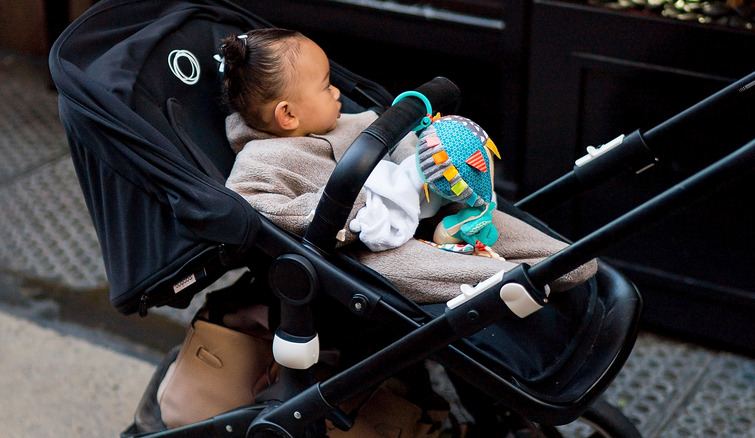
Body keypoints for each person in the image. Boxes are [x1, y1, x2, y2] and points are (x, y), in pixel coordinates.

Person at [221, 28, 597, 304]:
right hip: (370, 248)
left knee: (555, 254)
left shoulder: (350, 122)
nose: (337, 92)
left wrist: (427, 161)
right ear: (287, 115)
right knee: (401, 270)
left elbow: (400, 143)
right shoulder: (259, 164)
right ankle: (509, 283)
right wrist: (356, 206)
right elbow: (265, 211)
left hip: (430, 203)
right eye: (325, 86)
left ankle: (555, 262)